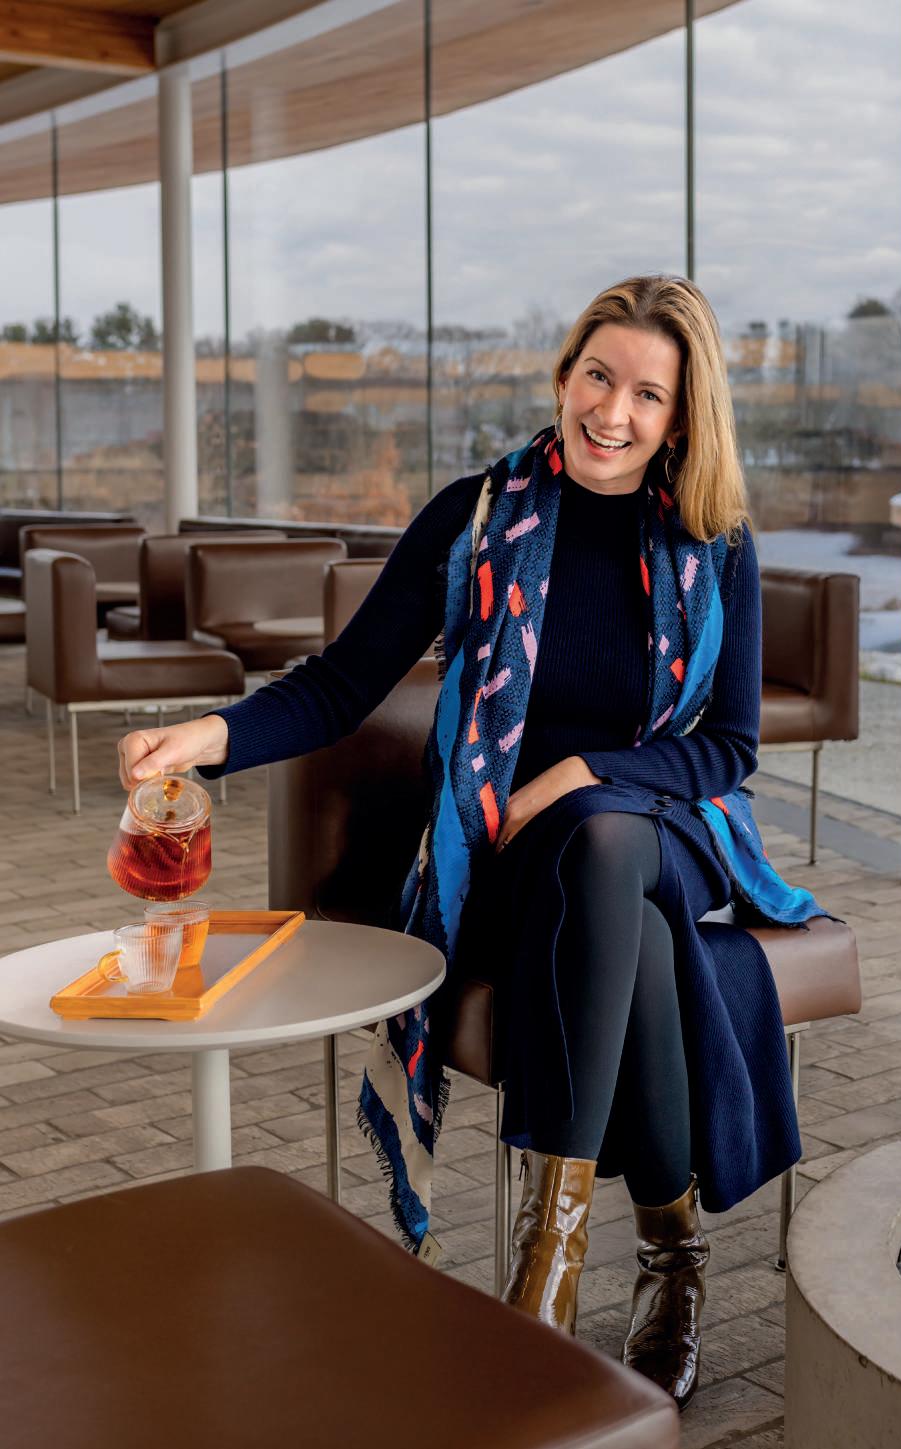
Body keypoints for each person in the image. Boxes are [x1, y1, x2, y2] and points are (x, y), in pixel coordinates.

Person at [117, 274, 830, 1411]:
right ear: (563, 374)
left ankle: (546, 1279)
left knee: (604, 840)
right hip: (509, 852)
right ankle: (671, 1257)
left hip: (666, 828)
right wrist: (204, 736)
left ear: (680, 418)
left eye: (647, 394)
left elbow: (727, 749)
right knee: (634, 935)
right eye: (597, 376)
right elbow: (343, 683)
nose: (612, 411)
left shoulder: (717, 543)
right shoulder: (480, 517)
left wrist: (585, 773)